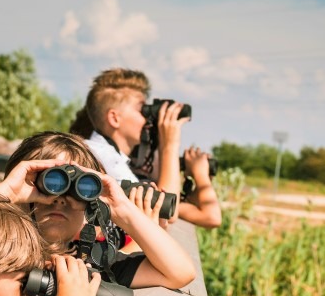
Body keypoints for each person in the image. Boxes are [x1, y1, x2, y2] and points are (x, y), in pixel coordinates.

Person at [3, 131, 196, 290]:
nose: (60, 200)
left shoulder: (92, 265)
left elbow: (181, 272)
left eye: (75, 190)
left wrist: (121, 209)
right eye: (47, 182)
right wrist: (6, 193)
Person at [75, 67, 221, 229]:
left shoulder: (112, 155)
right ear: (114, 118)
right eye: (142, 110)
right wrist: (169, 145)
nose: (148, 120)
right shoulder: (101, 156)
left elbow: (174, 205)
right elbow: (167, 212)